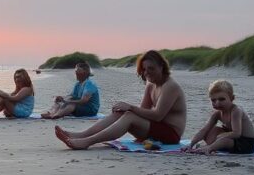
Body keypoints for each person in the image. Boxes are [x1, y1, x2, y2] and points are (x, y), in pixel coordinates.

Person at [56, 50, 186, 150]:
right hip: (154, 131)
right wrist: (125, 110)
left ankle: (87, 142)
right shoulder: (151, 84)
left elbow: (158, 116)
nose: (147, 72)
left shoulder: (170, 86)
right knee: (122, 112)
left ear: (162, 67)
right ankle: (81, 135)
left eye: (151, 68)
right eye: (144, 69)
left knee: (129, 114)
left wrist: (130, 107)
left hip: (171, 134)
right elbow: (144, 110)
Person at [183, 80, 254, 154]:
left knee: (223, 140)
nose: (217, 103)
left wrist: (221, 136)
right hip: (234, 140)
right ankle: (211, 145)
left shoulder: (236, 111)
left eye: (222, 99)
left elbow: (237, 133)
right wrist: (190, 144)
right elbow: (204, 130)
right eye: (213, 100)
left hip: (247, 143)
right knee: (210, 131)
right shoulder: (217, 114)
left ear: (232, 98)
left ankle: (209, 148)